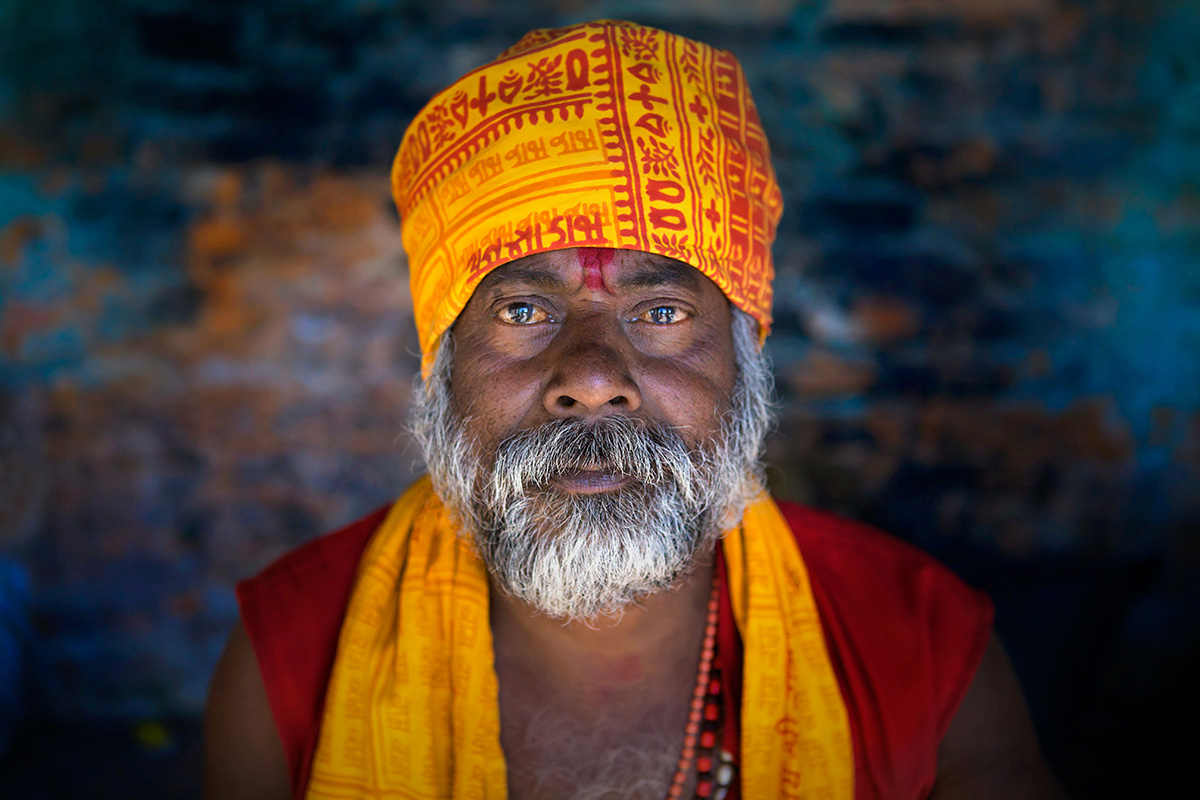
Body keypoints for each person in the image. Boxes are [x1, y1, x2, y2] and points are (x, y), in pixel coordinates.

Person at [204, 20, 1065, 800]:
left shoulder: (920, 647)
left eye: (659, 313)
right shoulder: (292, 656)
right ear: (440, 366)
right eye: (522, 312)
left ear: (744, 360)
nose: (590, 378)